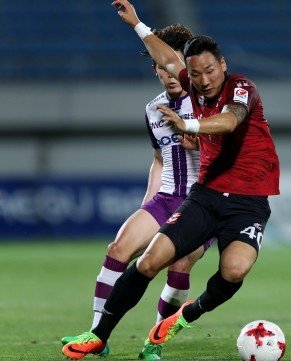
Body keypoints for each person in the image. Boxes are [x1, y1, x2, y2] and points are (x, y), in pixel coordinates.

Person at [61, 0, 280, 359]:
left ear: (222, 65)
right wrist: (137, 25)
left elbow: (231, 120)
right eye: (196, 74)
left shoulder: (241, 88)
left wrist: (189, 126)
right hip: (205, 197)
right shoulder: (185, 92)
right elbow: (167, 60)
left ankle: (183, 316)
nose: (204, 80)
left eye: (210, 70)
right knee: (148, 261)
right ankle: (99, 334)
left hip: (248, 202)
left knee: (234, 270)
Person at [61, 24, 213, 360]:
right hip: (166, 197)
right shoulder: (152, 109)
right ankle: (97, 335)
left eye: (175, 65)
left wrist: (199, 140)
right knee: (119, 248)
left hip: (201, 202)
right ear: (156, 69)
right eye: (161, 66)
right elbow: (159, 159)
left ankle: (154, 342)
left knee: (180, 265)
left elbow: (227, 149)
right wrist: (148, 203)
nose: (169, 73)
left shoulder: (205, 103)